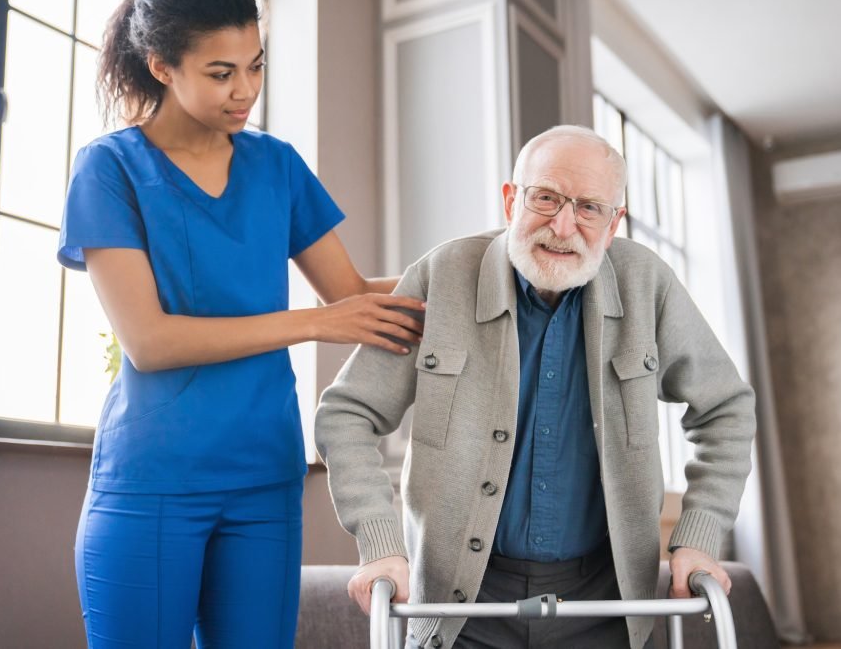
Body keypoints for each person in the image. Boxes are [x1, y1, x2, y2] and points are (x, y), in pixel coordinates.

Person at [58, 0, 423, 647]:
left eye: (255, 65)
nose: (246, 90)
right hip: (152, 480)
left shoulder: (276, 166)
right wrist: (314, 324)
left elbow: (352, 296)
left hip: (264, 479)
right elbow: (149, 342)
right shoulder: (109, 169)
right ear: (162, 66)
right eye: (221, 73)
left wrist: (484, 270)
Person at [315, 125, 757, 649]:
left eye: (589, 208)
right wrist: (380, 542)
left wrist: (700, 533)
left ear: (613, 224)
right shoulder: (443, 274)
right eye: (545, 198)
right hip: (459, 608)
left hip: (606, 604)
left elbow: (726, 408)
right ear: (511, 200)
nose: (563, 226)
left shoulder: (647, 282)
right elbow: (348, 412)